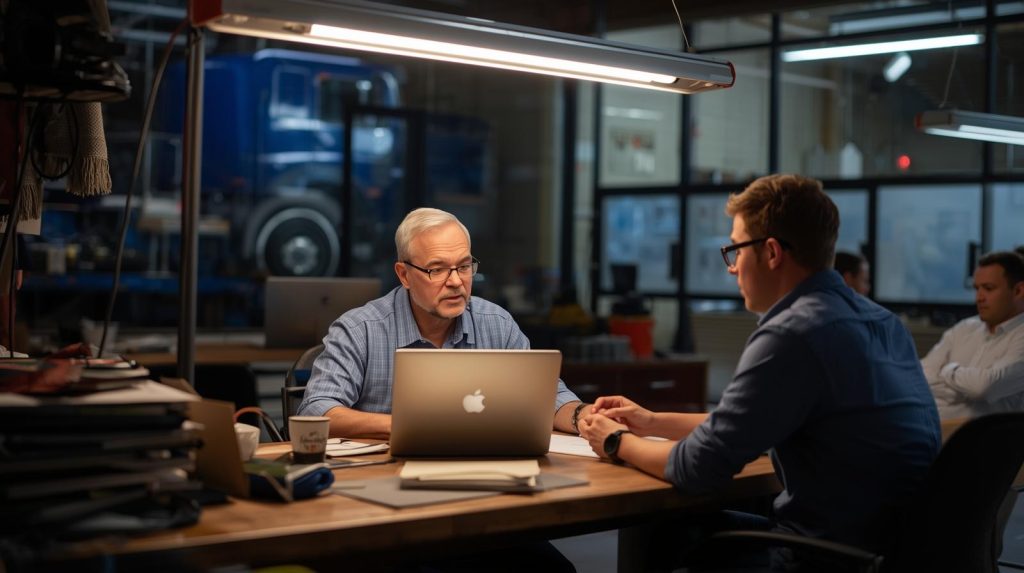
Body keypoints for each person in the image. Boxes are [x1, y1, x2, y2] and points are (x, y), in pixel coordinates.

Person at [578, 174, 941, 570]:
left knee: (660, 526)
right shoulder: (883, 322)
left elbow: (696, 469)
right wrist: (650, 421)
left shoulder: (794, 333)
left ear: (771, 252)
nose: (732, 268)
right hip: (894, 551)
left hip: (823, 558)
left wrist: (616, 441)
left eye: (735, 250)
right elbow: (746, 422)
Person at [298, 207, 591, 438]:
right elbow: (317, 411)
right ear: (403, 275)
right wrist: (410, 426)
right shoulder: (359, 330)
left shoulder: (497, 324)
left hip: (482, 465)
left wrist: (584, 417)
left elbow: (548, 397)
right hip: (385, 473)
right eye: (436, 270)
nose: (455, 282)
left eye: (464, 267)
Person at [921, 250, 1024, 419]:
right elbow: (920, 376)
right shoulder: (965, 328)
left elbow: (983, 387)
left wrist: (948, 370)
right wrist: (960, 389)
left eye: (989, 288)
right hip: (933, 429)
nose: (979, 297)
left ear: (1018, 291)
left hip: (985, 441)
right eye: (977, 289)